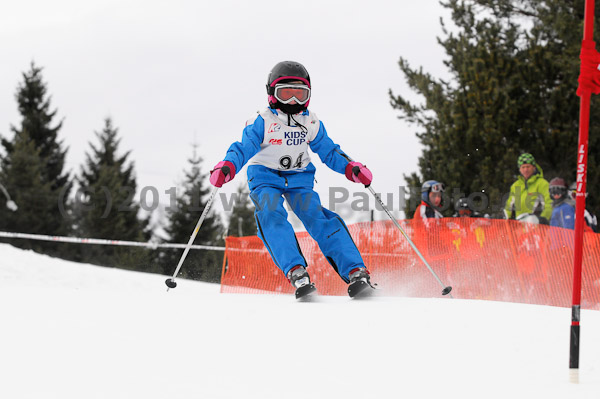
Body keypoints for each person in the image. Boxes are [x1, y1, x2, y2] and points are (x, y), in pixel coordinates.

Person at [208, 61, 374, 297]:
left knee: (318, 217)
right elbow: (243, 147)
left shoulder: (311, 122)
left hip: (299, 178)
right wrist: (227, 166)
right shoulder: (262, 121)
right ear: (272, 94)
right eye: (286, 94)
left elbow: (328, 151)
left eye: (300, 94)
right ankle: (296, 269)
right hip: (265, 176)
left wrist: (350, 167)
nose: (293, 101)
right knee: (270, 213)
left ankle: (355, 270)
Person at [504, 153, 552, 223]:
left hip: (537, 227)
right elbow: (509, 206)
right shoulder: (515, 186)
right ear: (519, 169)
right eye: (523, 167)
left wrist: (543, 219)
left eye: (528, 167)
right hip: (519, 228)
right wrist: (505, 218)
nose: (526, 170)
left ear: (534, 167)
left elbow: (549, 204)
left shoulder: (542, 184)